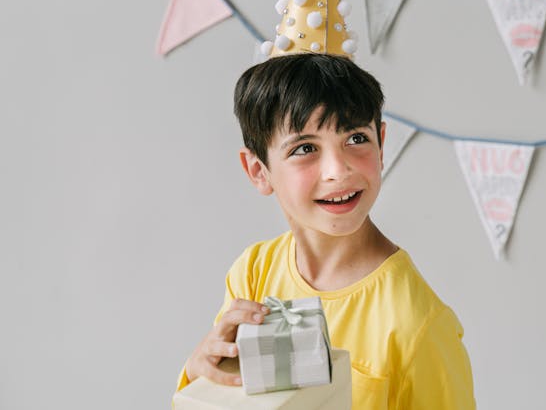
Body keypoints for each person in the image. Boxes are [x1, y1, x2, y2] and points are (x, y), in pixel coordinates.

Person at [174, 52, 475, 408]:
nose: (338, 170)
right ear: (258, 170)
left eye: (356, 139)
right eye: (305, 148)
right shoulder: (252, 273)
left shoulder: (416, 324)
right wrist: (197, 372)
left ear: (381, 145)